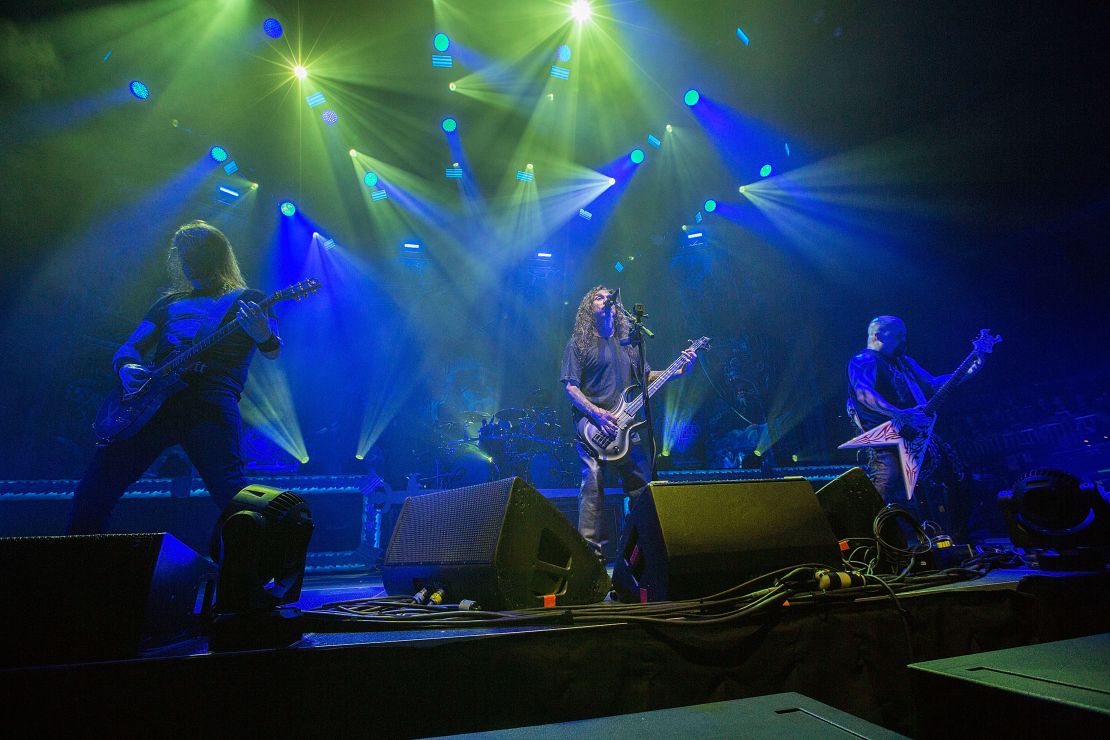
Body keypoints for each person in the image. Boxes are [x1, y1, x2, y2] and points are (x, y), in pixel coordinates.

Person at [67, 221, 282, 538]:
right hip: (153, 404)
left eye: (195, 255)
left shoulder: (247, 299)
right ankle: (76, 573)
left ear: (215, 257)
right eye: (183, 256)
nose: (188, 262)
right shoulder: (168, 302)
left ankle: (251, 573)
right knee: (94, 490)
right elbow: (128, 348)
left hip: (209, 404)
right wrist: (127, 368)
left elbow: (274, 350)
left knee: (234, 499)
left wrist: (263, 335)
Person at [560, 286, 696, 559]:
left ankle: (642, 556)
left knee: (643, 491)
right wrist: (598, 414)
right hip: (592, 429)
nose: (605, 300)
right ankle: (591, 561)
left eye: (609, 297)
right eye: (598, 297)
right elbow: (570, 387)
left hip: (626, 430)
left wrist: (681, 369)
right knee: (592, 489)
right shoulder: (579, 342)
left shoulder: (629, 344)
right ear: (589, 307)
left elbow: (645, 379)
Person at [846, 315, 981, 534]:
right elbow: (864, 393)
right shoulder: (863, 360)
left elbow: (933, 384)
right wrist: (898, 413)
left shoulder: (905, 361)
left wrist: (970, 369)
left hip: (917, 432)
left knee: (957, 472)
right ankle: (866, 536)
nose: (903, 340)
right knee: (888, 481)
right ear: (878, 336)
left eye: (904, 335)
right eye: (898, 336)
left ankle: (958, 533)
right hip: (887, 436)